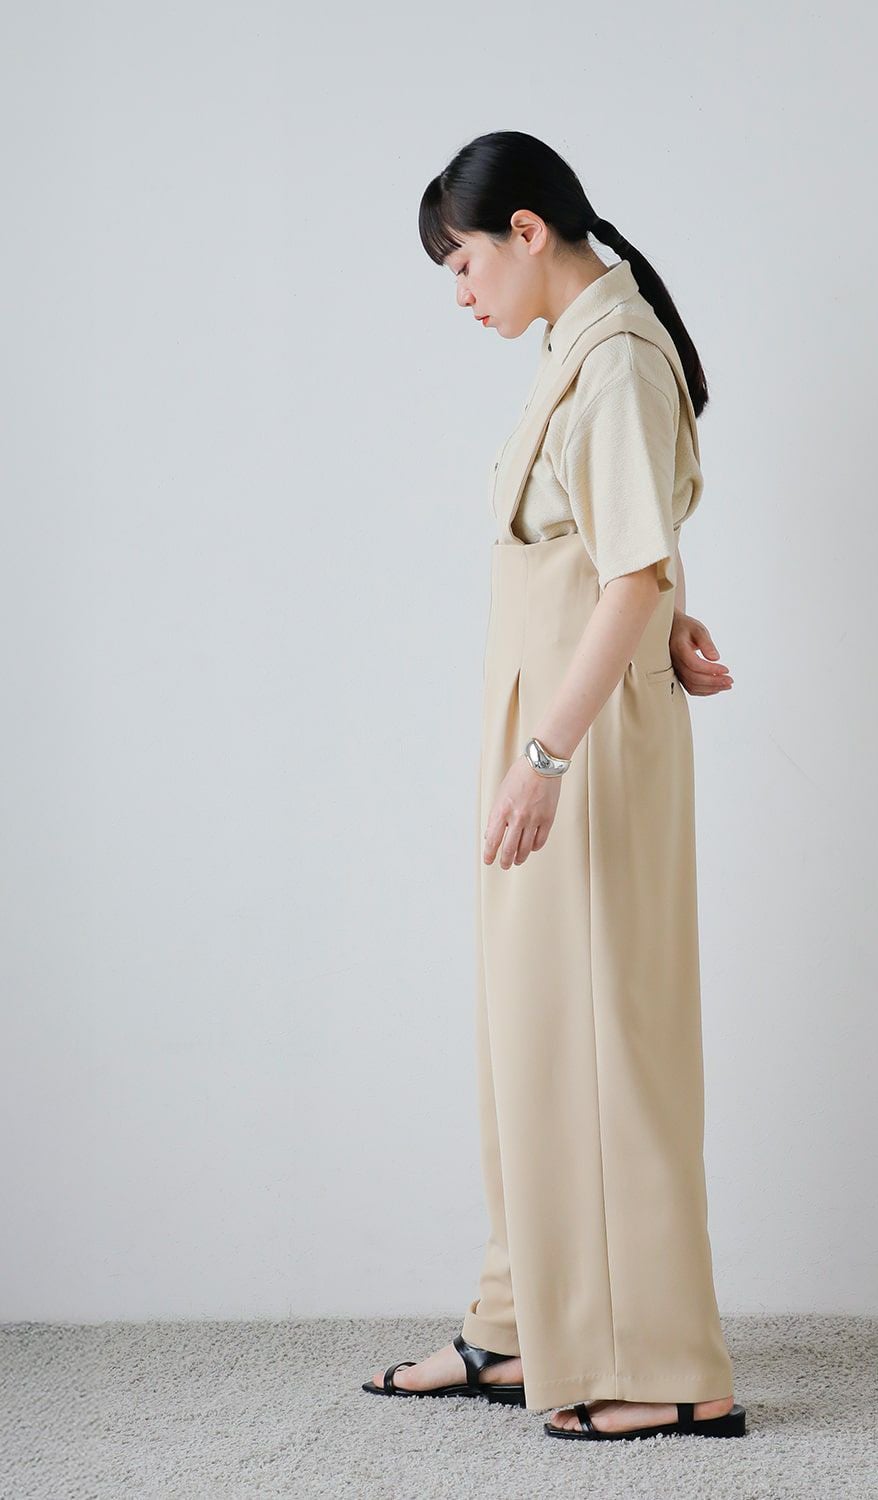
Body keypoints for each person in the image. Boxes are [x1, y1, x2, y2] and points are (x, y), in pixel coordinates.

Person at [363, 130, 745, 1443]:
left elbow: (630, 568)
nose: (461, 292)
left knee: (608, 1040)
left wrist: (547, 756)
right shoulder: (575, 350)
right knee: (530, 1031)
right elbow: (627, 550)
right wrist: (672, 621)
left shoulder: (617, 359)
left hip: (580, 746)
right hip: (552, 722)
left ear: (527, 231)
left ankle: (676, 1365)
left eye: (464, 262)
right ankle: (522, 1322)